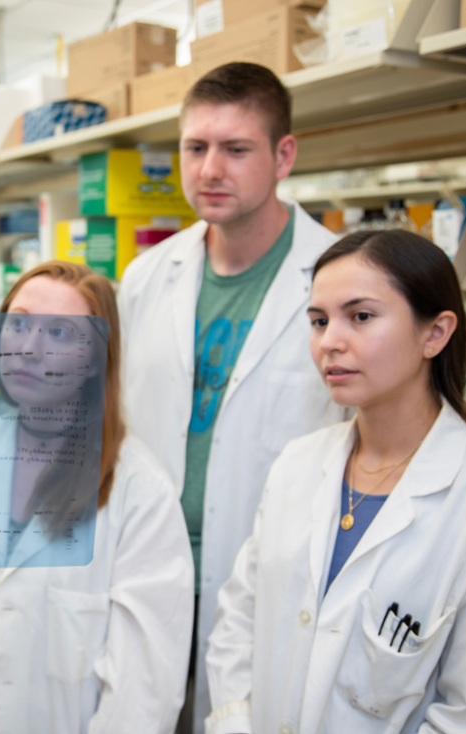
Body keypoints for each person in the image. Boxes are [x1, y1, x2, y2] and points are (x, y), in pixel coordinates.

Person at [205, 230, 466, 733]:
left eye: (361, 316)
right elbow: (239, 625)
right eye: (319, 320)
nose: (330, 340)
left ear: (434, 333)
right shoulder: (297, 465)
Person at [117, 62, 345, 726]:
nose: (210, 169)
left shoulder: (341, 279)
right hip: (150, 565)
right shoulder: (147, 275)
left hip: (270, 574)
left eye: (236, 149)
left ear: (283, 155)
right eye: (195, 147)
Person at [0, 262, 194, 734]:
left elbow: (143, 692)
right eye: (19, 322)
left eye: (58, 332)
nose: (29, 349)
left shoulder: (140, 493)